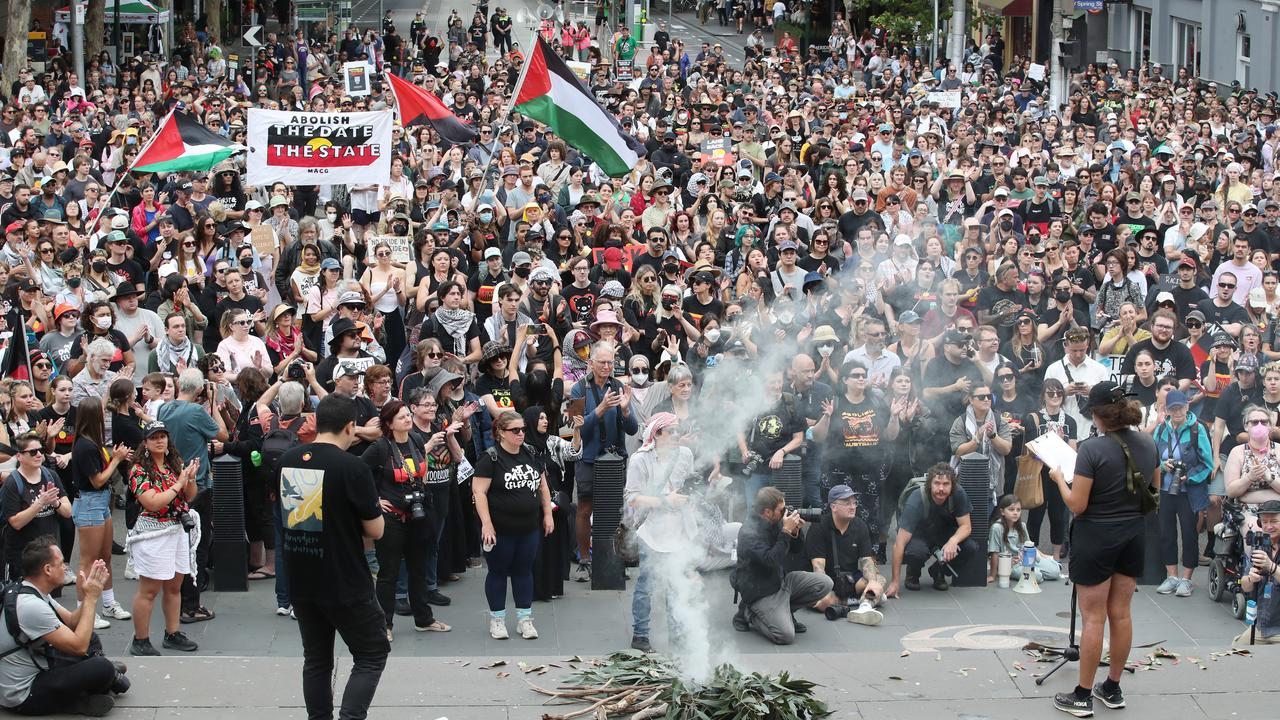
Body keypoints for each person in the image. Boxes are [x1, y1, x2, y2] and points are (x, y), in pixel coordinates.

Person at [1047, 381, 1158, 717]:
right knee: (1121, 613)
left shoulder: (1092, 450)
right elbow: (1155, 493)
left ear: (1096, 415)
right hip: (1133, 534)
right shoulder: (1149, 443)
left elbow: (1078, 505)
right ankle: (1112, 687)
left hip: (1096, 536)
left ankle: (1082, 695)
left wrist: (1058, 480)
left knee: (1093, 618)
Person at [277, 394, 388, 720]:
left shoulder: (288, 460)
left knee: (317, 659)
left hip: (301, 576)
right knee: (371, 653)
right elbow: (376, 530)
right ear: (351, 426)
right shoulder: (352, 467)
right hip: (344, 578)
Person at [0, 537, 128, 717]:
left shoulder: (31, 589)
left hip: (38, 665)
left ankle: (97, 683)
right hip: (23, 695)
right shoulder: (31, 606)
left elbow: (71, 622)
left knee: (92, 639)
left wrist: (86, 596)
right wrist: (91, 598)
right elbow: (79, 646)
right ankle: (76, 702)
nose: (67, 567)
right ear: (47, 570)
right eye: (61, 563)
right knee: (101, 667)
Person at [361, 400, 452, 641]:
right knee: (389, 573)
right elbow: (358, 472)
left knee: (418, 569)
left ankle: (424, 619)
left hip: (418, 513)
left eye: (406, 416)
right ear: (389, 423)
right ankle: (384, 625)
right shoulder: (380, 447)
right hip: (392, 518)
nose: (407, 420)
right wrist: (375, 500)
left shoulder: (416, 440)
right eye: (401, 417)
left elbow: (419, 471)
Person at [473, 410, 555, 640]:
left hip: (528, 527)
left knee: (523, 572)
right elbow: (479, 492)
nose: (521, 434)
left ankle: (524, 619)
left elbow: (543, 487)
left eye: (523, 430)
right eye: (515, 430)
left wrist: (547, 514)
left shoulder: (530, 453)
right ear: (501, 433)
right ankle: (497, 620)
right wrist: (486, 524)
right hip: (501, 529)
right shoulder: (490, 458)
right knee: (498, 572)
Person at [623, 412, 698, 652]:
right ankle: (641, 635)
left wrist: (692, 499)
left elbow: (689, 484)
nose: (677, 435)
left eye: (679, 430)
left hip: (679, 529)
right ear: (657, 434)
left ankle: (677, 634)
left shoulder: (685, 455)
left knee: (677, 583)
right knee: (647, 584)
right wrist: (666, 501)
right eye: (672, 431)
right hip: (651, 530)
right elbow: (632, 499)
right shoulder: (640, 460)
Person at [158, 368, 227, 625]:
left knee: (178, 544)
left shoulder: (165, 409)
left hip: (173, 485)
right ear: (199, 389)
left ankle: (178, 599)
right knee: (196, 545)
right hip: (197, 485)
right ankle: (191, 604)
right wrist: (214, 405)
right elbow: (223, 434)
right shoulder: (198, 412)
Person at [124, 421, 200, 656]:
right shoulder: (138, 470)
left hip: (176, 529)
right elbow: (153, 502)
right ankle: (141, 639)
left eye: (163, 436)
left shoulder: (173, 464)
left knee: (175, 586)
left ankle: (172, 633)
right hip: (153, 532)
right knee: (149, 589)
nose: (160, 440)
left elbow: (190, 496)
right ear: (145, 443)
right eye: (154, 437)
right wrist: (179, 483)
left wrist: (190, 479)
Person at [568, 341, 638, 583]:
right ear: (591, 364)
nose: (608, 367)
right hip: (588, 458)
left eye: (611, 362)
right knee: (585, 508)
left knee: (615, 512)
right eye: (603, 362)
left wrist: (627, 411)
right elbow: (573, 429)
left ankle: (614, 560)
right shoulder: (578, 390)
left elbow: (633, 429)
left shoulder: (619, 387)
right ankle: (584, 560)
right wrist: (599, 409)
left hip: (615, 458)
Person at [731, 486, 833, 645]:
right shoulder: (748, 533)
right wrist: (785, 531)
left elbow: (797, 550)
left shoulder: (777, 520)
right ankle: (749, 613)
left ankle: (785, 611)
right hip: (761, 591)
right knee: (785, 636)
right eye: (781, 509)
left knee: (825, 583)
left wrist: (796, 532)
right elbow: (771, 560)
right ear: (767, 512)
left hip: (781, 581)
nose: (785, 512)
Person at [68, 397, 132, 630]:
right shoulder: (85, 446)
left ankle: (108, 603)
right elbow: (98, 481)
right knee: (88, 561)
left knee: (105, 556)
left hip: (100, 503)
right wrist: (116, 460)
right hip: (90, 504)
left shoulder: (91, 443)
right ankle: (84, 611)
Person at [1152, 390, 1212, 597]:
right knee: (1166, 533)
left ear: (1187, 407)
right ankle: (1172, 576)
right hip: (1166, 489)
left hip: (1189, 492)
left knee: (1189, 534)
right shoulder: (1161, 430)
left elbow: (1208, 465)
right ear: (1167, 410)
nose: (1177, 412)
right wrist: (1162, 464)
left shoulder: (1197, 429)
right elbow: (1153, 458)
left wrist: (1190, 477)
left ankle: (1187, 579)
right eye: (1173, 408)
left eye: (1180, 407)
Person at [886, 463, 981, 595]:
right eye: (937, 483)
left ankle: (938, 570)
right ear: (930, 484)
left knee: (970, 547)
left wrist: (953, 541)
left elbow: (966, 526)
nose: (941, 488)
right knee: (915, 552)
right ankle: (913, 571)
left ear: (952, 485)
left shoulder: (958, 494)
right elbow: (899, 544)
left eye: (946, 484)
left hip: (945, 532)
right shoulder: (917, 498)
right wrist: (895, 582)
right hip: (920, 534)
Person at [805, 484, 886, 625]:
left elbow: (867, 561)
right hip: (828, 579)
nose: (853, 507)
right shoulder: (818, 527)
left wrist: (872, 582)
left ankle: (864, 607)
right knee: (822, 601)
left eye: (854, 502)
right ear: (833, 507)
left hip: (850, 578)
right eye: (847, 503)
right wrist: (825, 593)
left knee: (879, 581)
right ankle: (865, 601)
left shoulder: (860, 525)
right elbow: (818, 569)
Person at [0, 433, 71, 583]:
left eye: (40, 450)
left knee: (49, 602)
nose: (39, 454)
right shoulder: (12, 483)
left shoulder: (50, 475)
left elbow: (68, 512)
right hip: (23, 560)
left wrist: (55, 503)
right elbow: (15, 522)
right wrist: (40, 503)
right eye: (33, 452)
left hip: (49, 557)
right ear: (19, 456)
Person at [1233, 499, 1280, 647]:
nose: (1269, 526)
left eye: (1274, 521)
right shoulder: (1260, 545)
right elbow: (1245, 586)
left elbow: (1272, 568)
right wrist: (1250, 579)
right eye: (1264, 522)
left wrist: (1271, 567)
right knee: (1237, 650)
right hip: (1262, 627)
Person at [987, 494, 1061, 584]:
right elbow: (994, 553)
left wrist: (1044, 556)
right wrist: (992, 575)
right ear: (1002, 512)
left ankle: (1035, 571)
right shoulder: (997, 528)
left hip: (1027, 559)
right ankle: (1035, 572)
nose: (1015, 513)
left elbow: (1029, 545)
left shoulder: (1022, 526)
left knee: (1055, 570)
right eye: (1011, 509)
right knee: (1037, 576)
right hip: (1010, 564)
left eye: (1018, 510)